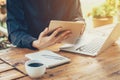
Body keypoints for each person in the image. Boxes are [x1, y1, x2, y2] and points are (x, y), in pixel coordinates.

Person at [7, 0, 85, 50]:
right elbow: (14, 32)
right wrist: (35, 43)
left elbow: (77, 16)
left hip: (66, 48)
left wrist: (79, 23)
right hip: (32, 53)